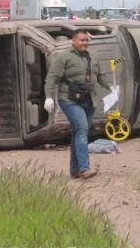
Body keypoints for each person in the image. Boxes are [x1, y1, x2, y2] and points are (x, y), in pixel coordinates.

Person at [43, 29, 112, 179]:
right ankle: (84, 168)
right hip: (69, 99)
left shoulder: (93, 56)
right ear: (73, 41)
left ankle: (74, 170)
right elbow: (52, 78)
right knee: (82, 128)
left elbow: (101, 76)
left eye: (87, 40)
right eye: (82, 40)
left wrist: (111, 87)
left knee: (78, 133)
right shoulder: (64, 57)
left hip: (89, 99)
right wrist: (48, 97)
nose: (85, 43)